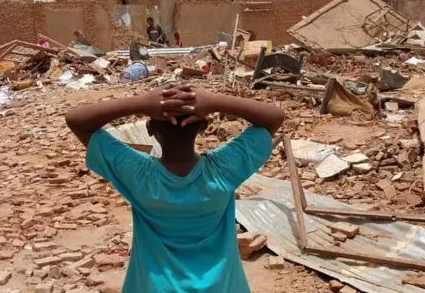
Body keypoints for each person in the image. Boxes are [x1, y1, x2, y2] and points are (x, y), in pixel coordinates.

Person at [64, 83, 285, 293]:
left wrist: (140, 102)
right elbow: (274, 117)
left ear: (150, 129)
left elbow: (76, 120)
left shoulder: (137, 175)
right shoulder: (223, 169)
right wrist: (215, 100)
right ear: (204, 126)